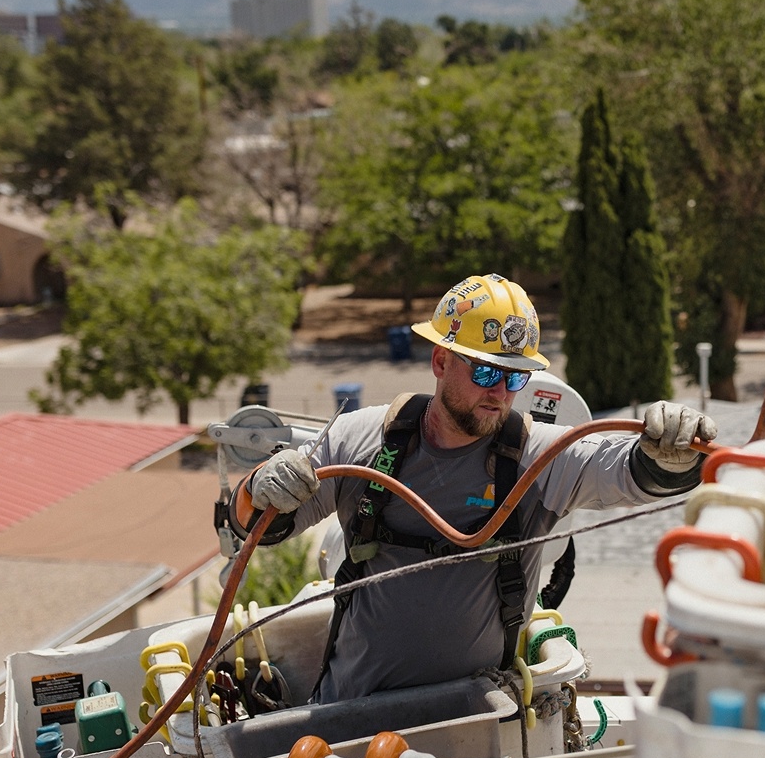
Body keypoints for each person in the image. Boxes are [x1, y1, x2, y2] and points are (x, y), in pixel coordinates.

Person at [234, 273, 716, 702]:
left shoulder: (535, 458)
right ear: (440, 361)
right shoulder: (363, 440)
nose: (500, 393)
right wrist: (259, 485)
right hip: (352, 711)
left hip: (474, 719)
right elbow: (253, 525)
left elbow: (629, 473)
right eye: (486, 372)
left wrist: (668, 455)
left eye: (514, 377)